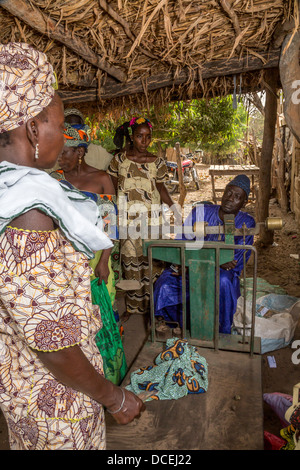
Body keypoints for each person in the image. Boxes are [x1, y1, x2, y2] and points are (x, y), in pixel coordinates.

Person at [0, 42, 144, 451]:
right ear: (31, 127)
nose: (63, 137)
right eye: (59, 126)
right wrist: (114, 397)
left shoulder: (7, 191)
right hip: (56, 404)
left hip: (20, 388)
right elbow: (54, 344)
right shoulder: (29, 210)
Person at [51, 121, 126, 385]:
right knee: (71, 313)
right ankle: (78, 374)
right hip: (63, 257)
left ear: (80, 152)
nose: (60, 158)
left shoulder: (101, 179)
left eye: (66, 152)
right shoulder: (55, 180)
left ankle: (106, 372)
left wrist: (104, 262)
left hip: (94, 256)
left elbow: (110, 226)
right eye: (59, 152)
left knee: (101, 308)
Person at [154, 175, 255, 335]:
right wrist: (213, 260)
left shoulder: (247, 223)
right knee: (165, 283)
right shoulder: (200, 212)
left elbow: (233, 262)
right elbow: (181, 242)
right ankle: (180, 324)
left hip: (220, 273)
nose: (230, 199)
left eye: (237, 197)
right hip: (188, 266)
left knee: (223, 282)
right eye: (229, 193)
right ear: (223, 193)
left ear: (244, 203)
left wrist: (211, 262)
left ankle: (220, 332)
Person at [107, 117, 176, 319]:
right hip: (127, 221)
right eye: (139, 136)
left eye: (147, 137)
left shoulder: (159, 162)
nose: (144, 142)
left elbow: (161, 189)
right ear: (132, 137)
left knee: (153, 263)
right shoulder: (119, 160)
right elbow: (111, 189)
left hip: (153, 221)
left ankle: (156, 308)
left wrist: (175, 210)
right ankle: (132, 307)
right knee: (131, 265)